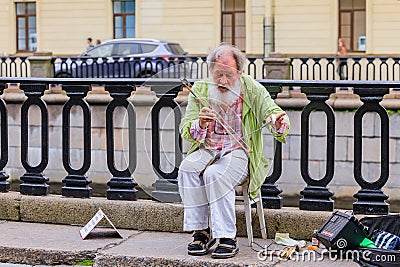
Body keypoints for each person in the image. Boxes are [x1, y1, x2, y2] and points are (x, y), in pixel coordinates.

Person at [178, 44, 289, 259]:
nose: (223, 81)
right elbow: (186, 130)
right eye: (218, 74)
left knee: (214, 174)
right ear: (211, 71)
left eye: (229, 75)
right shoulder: (200, 89)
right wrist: (200, 124)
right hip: (208, 149)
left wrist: (276, 121)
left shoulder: (252, 89)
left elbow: (272, 112)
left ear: (239, 72)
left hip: (239, 153)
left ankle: (227, 237)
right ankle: (201, 231)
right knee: (187, 168)